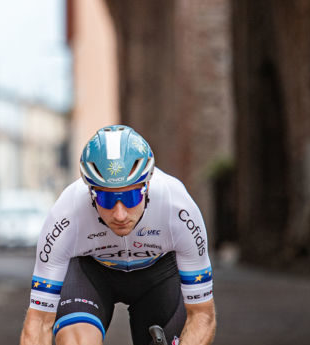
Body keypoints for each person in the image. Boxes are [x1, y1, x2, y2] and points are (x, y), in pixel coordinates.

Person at [20, 125, 216, 345]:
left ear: (148, 185)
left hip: (159, 276)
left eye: (131, 197)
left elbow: (202, 315)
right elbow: (39, 322)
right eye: (107, 200)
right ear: (90, 192)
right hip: (92, 273)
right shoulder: (67, 212)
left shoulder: (177, 207)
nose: (120, 214)